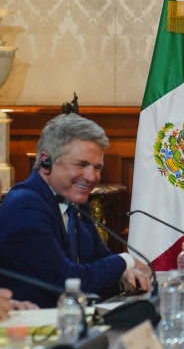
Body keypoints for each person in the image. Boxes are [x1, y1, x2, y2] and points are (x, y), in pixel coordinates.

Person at [0, 113, 152, 308]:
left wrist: (125, 274)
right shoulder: (25, 205)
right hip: (34, 330)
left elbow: (102, 259)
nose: (92, 177)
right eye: (81, 165)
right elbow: (67, 280)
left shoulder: (75, 201)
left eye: (97, 167)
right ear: (46, 162)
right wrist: (126, 261)